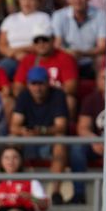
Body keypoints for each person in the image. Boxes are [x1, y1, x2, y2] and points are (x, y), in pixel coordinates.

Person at [11, 65, 77, 201]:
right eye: (33, 84)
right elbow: (14, 126)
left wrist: (41, 131)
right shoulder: (24, 96)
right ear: (28, 84)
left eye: (41, 83)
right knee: (12, 139)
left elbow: (61, 127)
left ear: (48, 83)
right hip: (28, 141)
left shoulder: (58, 95)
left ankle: (56, 192)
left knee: (60, 141)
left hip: (49, 141)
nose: (37, 88)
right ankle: (11, 187)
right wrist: (23, 131)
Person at [12, 21, 79, 116]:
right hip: (33, 99)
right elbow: (17, 87)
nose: (41, 44)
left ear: (53, 40)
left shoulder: (65, 58)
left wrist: (45, 92)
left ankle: (65, 129)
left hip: (56, 99)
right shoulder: (27, 60)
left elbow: (71, 87)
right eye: (37, 41)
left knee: (70, 100)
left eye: (45, 40)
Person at [52, 0, 106, 78]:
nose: (78, 0)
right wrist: (70, 53)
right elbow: (57, 44)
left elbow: (102, 47)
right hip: (67, 58)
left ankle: (101, 92)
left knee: (101, 59)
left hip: (91, 59)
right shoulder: (58, 15)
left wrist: (82, 53)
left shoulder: (100, 15)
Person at [0, 0, 50, 79]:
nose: (27, 2)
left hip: (34, 57)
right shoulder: (10, 19)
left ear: (38, 2)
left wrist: (17, 51)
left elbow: (43, 44)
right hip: (12, 58)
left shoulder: (43, 18)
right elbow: (2, 45)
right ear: (19, 0)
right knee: (0, 70)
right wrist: (14, 54)